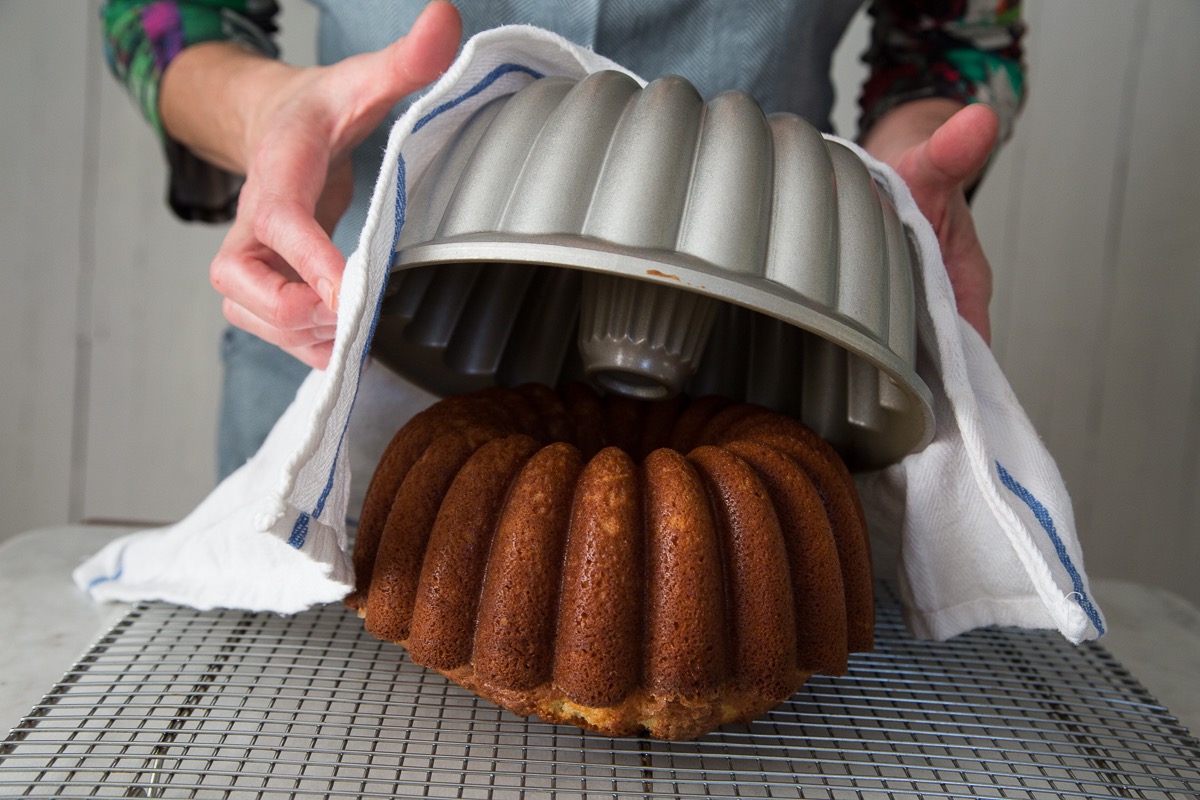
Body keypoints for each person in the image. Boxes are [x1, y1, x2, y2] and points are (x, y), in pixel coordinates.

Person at [101, 0, 1025, 478]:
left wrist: (904, 180)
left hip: (769, 359)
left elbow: (951, 36)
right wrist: (269, 111)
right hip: (362, 323)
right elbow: (170, 15)